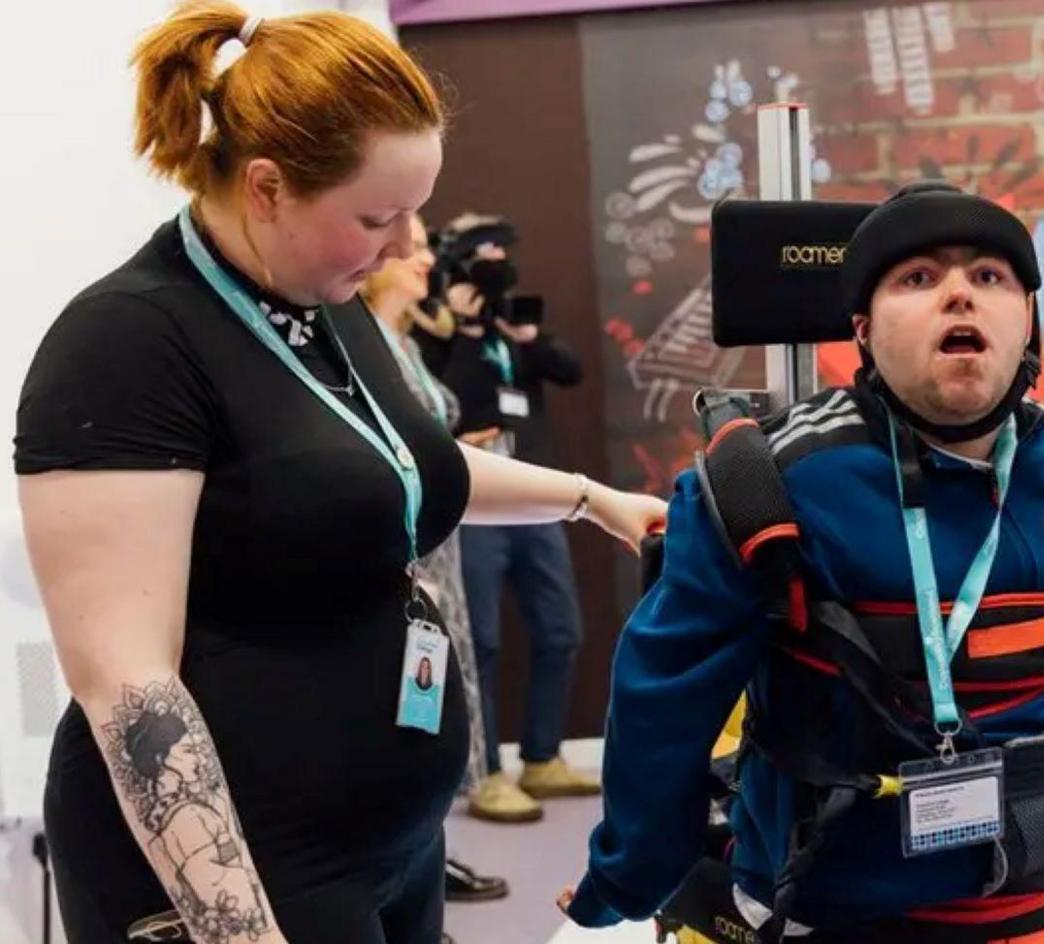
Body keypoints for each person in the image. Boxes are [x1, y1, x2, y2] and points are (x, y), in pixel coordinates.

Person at [13, 5, 665, 942]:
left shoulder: (322, 303)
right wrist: (240, 931)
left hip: (387, 849)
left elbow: (399, 471)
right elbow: (128, 684)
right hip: (238, 872)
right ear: (268, 187)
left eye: (415, 212)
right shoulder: (128, 343)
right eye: (378, 216)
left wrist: (592, 500)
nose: (407, 247)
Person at [562, 182, 1044, 942]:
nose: (959, 296)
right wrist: (629, 871)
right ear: (865, 330)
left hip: (1042, 908)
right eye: (919, 278)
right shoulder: (766, 486)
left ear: (1027, 319)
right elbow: (664, 697)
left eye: (989, 277)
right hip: (837, 911)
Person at [425, 213, 597, 823]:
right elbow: (451, 400)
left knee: (560, 629)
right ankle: (487, 772)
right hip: (473, 506)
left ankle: (544, 757)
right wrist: (467, 331)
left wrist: (520, 334)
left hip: (536, 502)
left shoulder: (511, 331)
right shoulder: (438, 333)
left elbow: (568, 368)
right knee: (485, 644)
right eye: (484, 254)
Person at [361, 214, 512, 904]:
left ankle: (432, 855)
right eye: (414, 249)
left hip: (441, 547)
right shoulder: (366, 347)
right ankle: (417, 861)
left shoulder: (405, 344)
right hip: (412, 553)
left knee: (439, 695)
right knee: (414, 705)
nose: (422, 260)